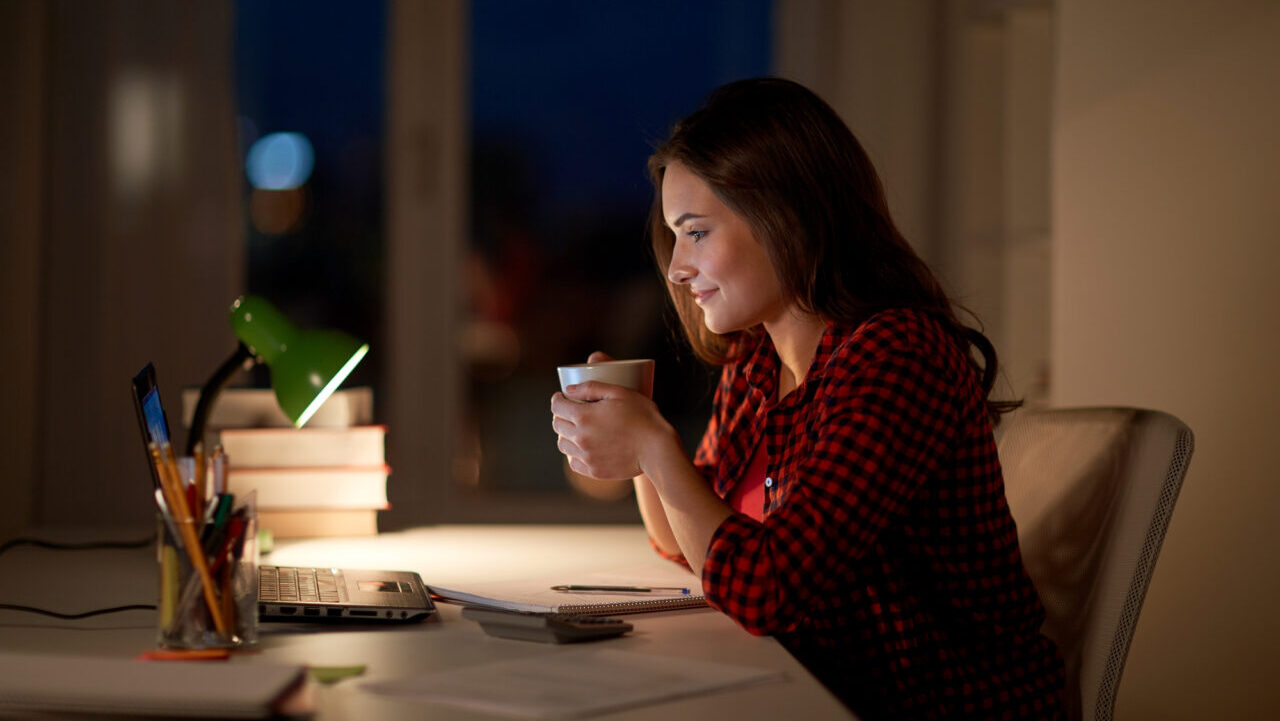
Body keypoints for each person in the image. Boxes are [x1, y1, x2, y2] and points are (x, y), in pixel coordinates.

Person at [549, 77, 1065, 720]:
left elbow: (764, 589)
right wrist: (635, 435)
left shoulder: (898, 358)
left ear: (786, 216)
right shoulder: (758, 360)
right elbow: (693, 547)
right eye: (675, 237)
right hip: (816, 694)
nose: (677, 267)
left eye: (697, 232)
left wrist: (654, 447)